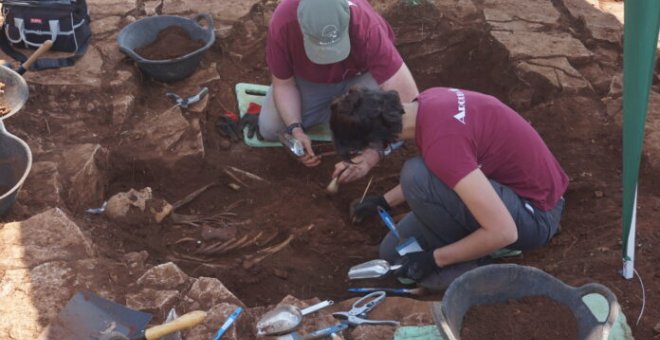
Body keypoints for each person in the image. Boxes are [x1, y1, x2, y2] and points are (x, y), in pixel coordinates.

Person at [330, 87, 568, 291]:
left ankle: (476, 265)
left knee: (415, 175)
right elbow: (448, 171)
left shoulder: (443, 146)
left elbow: (505, 232)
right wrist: (383, 201)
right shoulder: (429, 102)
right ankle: (460, 248)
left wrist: (435, 259)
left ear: (377, 141)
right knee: (392, 254)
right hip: (516, 193)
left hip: (534, 215)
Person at [249, 0, 418, 167]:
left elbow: (409, 100)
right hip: (311, 82)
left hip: (361, 78)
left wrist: (373, 155)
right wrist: (296, 129)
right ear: (301, 26)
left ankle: (345, 117)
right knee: (270, 128)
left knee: (401, 119)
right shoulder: (283, 23)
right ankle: (344, 116)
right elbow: (283, 84)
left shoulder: (365, 23)